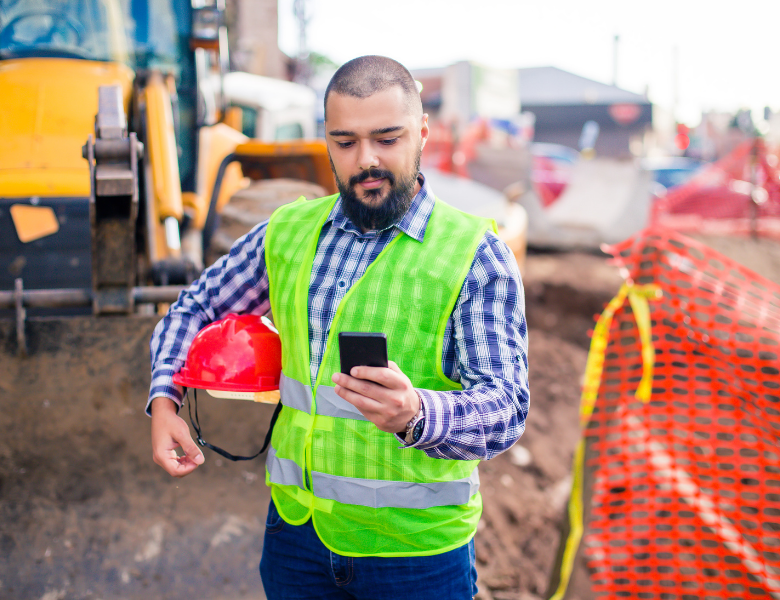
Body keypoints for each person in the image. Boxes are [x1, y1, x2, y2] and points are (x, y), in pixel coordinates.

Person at [147, 55, 529, 600]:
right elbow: (194, 307)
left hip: (416, 557)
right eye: (345, 142)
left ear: (422, 133)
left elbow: (507, 407)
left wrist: (418, 412)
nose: (366, 160)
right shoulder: (286, 233)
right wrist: (166, 399)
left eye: (387, 139)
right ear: (325, 140)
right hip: (297, 542)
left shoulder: (475, 254)